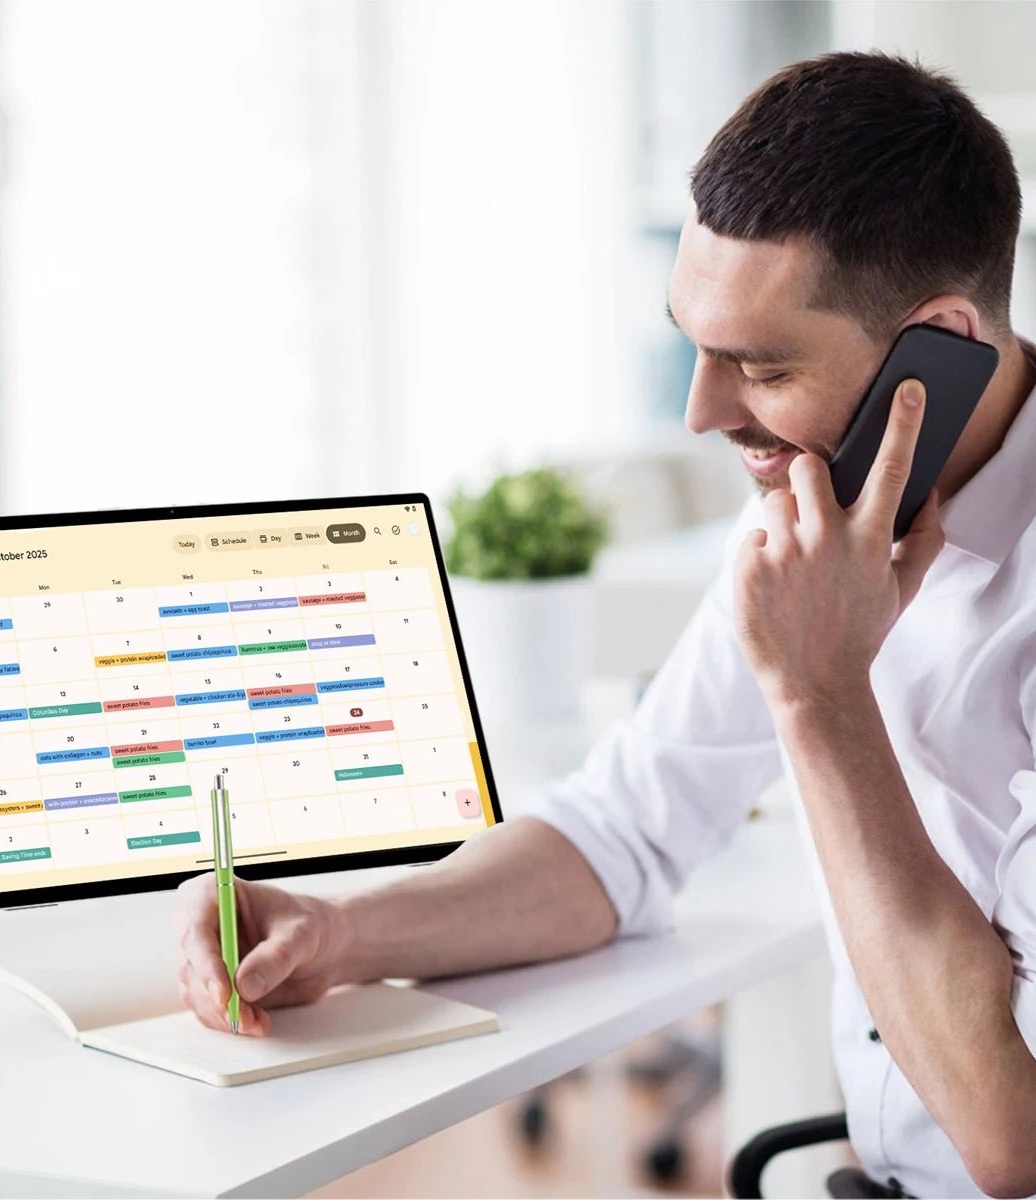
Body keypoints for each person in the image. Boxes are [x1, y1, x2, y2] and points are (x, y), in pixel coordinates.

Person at [175, 51, 1036, 1199]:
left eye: (763, 366)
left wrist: (818, 699)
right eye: (695, 340)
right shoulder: (812, 519)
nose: (701, 411)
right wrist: (345, 933)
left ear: (937, 346)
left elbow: (1012, 1134)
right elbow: (624, 828)